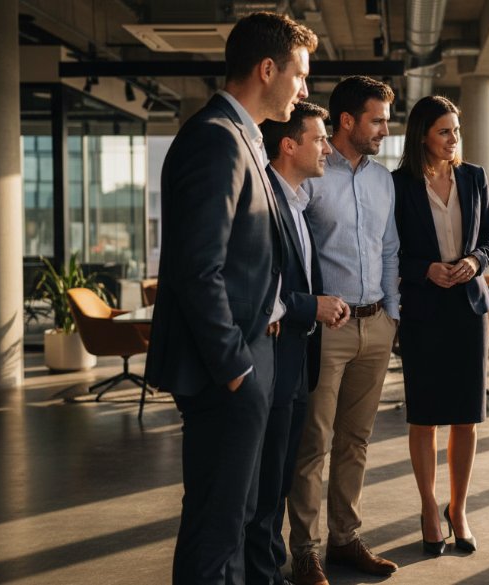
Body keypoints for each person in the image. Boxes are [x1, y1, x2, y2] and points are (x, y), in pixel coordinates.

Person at [144, 12, 316, 585]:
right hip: (229, 370)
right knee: (216, 529)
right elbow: (199, 270)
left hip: (250, 361)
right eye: (300, 75)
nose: (304, 88)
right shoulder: (217, 140)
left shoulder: (242, 136)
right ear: (268, 69)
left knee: (235, 520)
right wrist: (236, 367)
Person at [286, 76, 401, 585]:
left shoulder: (383, 180)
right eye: (376, 119)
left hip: (376, 325)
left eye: (386, 120)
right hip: (325, 330)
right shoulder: (310, 173)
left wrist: (393, 315)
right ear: (347, 121)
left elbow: (390, 250)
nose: (384, 129)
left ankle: (344, 538)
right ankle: (305, 551)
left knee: (356, 440)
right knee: (315, 441)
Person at [244, 102, 351, 585]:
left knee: (278, 480)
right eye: (320, 138)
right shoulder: (266, 200)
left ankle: (270, 573)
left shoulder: (298, 201)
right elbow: (257, 285)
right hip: (272, 359)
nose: (328, 147)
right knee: (265, 485)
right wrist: (313, 306)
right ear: (289, 145)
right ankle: (262, 576)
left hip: (293, 360)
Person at [391, 95, 489, 556]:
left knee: (466, 417)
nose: (455, 139)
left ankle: (459, 508)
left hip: (468, 309)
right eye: (445, 131)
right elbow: (388, 250)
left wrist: (474, 262)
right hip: (423, 310)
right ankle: (429, 508)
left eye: (457, 130)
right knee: (425, 416)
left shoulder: (474, 177)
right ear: (422, 136)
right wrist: (424, 270)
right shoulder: (398, 185)